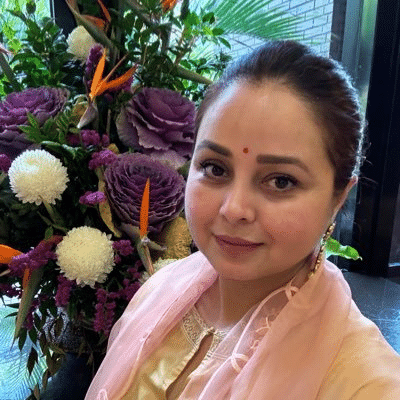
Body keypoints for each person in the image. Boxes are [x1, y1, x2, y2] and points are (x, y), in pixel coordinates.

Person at [85, 40, 400, 399]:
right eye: (215, 168)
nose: (234, 209)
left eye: (281, 181)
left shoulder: (365, 381)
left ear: (338, 197)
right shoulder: (160, 291)